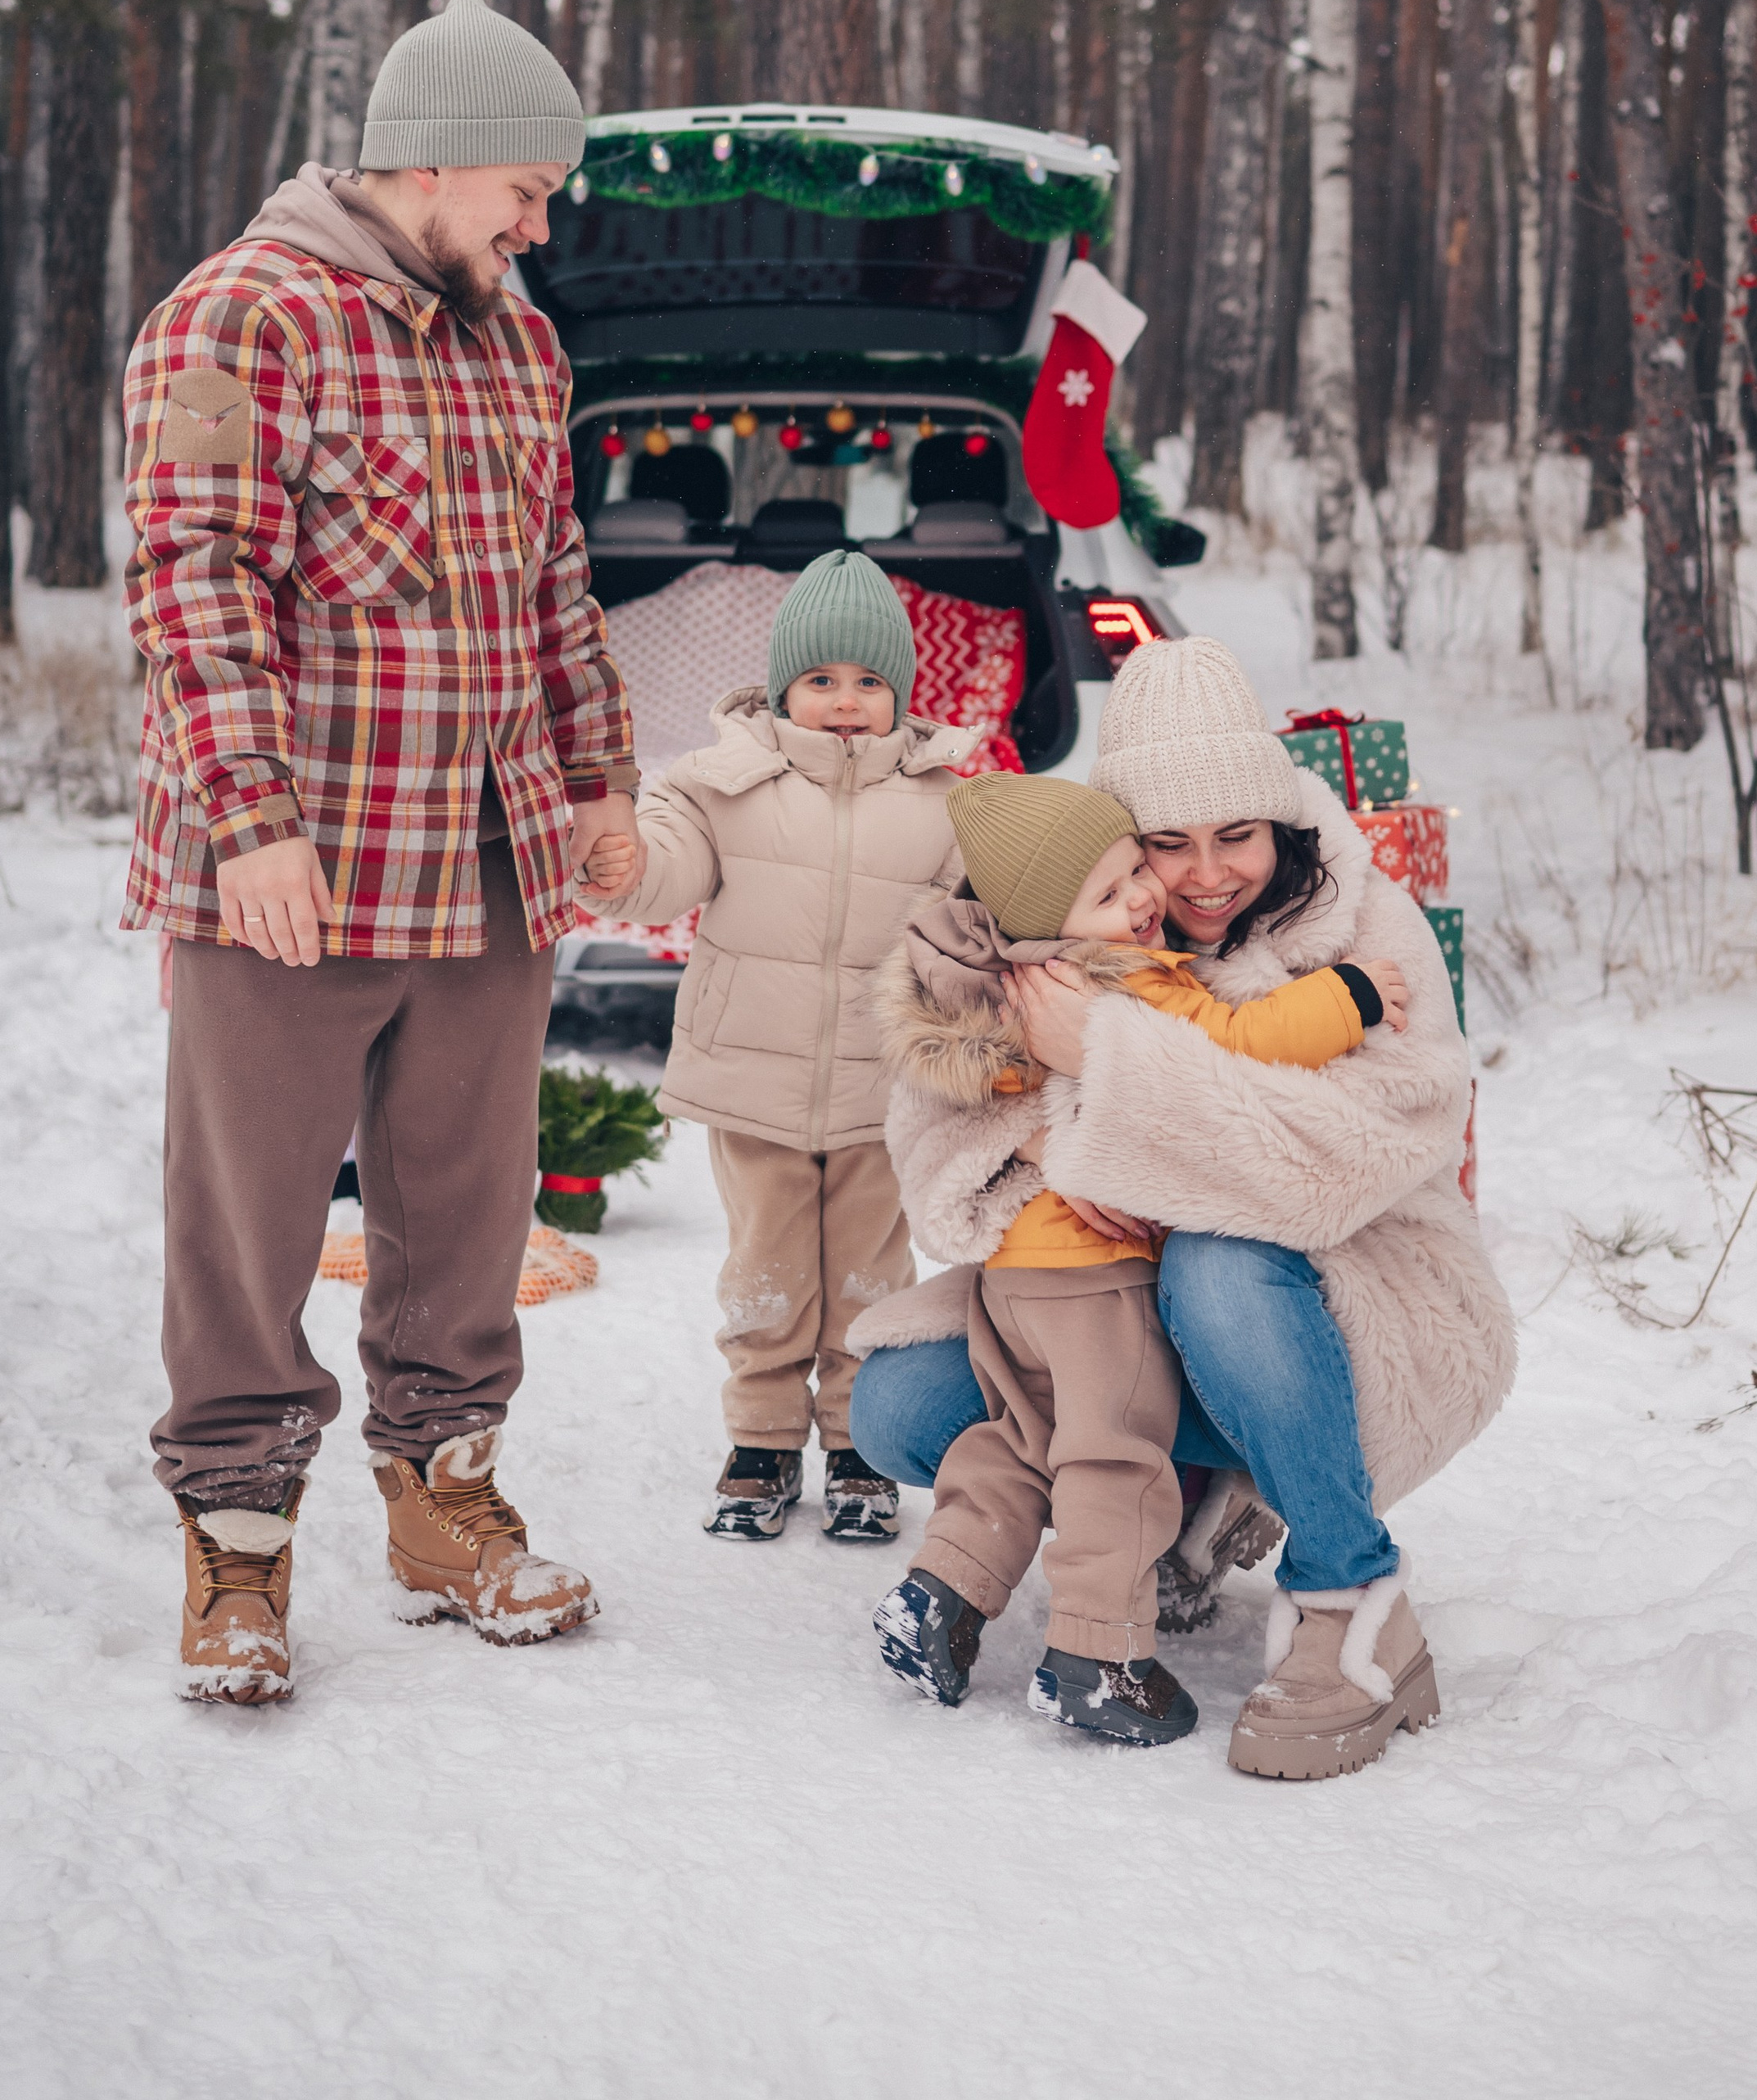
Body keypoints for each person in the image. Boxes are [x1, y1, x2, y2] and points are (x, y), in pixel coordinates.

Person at [124, 0, 642, 1704]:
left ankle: (445, 1508)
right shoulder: (240, 319)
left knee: (467, 1205)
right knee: (250, 1215)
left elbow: (558, 583)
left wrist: (601, 777)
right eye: (525, 191)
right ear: (431, 165)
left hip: (488, 850)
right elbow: (193, 586)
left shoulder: (517, 340)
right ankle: (238, 1544)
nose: (538, 226)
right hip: (296, 860)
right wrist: (250, 820)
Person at [847, 634, 1516, 1782]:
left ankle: (1352, 1596)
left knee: (1216, 1256)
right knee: (899, 1404)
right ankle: (1179, 1508)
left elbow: (1332, 1165)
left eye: (1236, 834)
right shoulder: (1055, 917)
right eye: (1166, 842)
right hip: (1112, 1305)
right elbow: (933, 1148)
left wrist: (1104, 1071)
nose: (1203, 876)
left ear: (1281, 822)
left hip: (1347, 1302)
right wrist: (1056, 1145)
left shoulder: (1366, 931)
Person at [872, 772, 1409, 1747]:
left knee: (1021, 1433)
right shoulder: (1129, 980)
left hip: (1017, 1280)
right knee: (1110, 1454)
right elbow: (1245, 1036)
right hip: (1099, 1276)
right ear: (1047, 923)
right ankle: (1097, 1656)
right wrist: (1349, 995)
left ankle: (942, 1590)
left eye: (1131, 874)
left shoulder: (995, 981)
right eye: (1112, 890)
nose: (1142, 899)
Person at [584, 549, 977, 1542]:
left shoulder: (946, 802)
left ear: (901, 695)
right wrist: (620, 863)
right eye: (820, 679)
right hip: (753, 1083)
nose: (845, 703)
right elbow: (664, 872)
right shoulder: (718, 784)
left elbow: (982, 913)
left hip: (882, 1091)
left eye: (869, 681)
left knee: (870, 1275)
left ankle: (856, 1442)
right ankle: (760, 1436)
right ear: (778, 688)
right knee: (766, 1269)